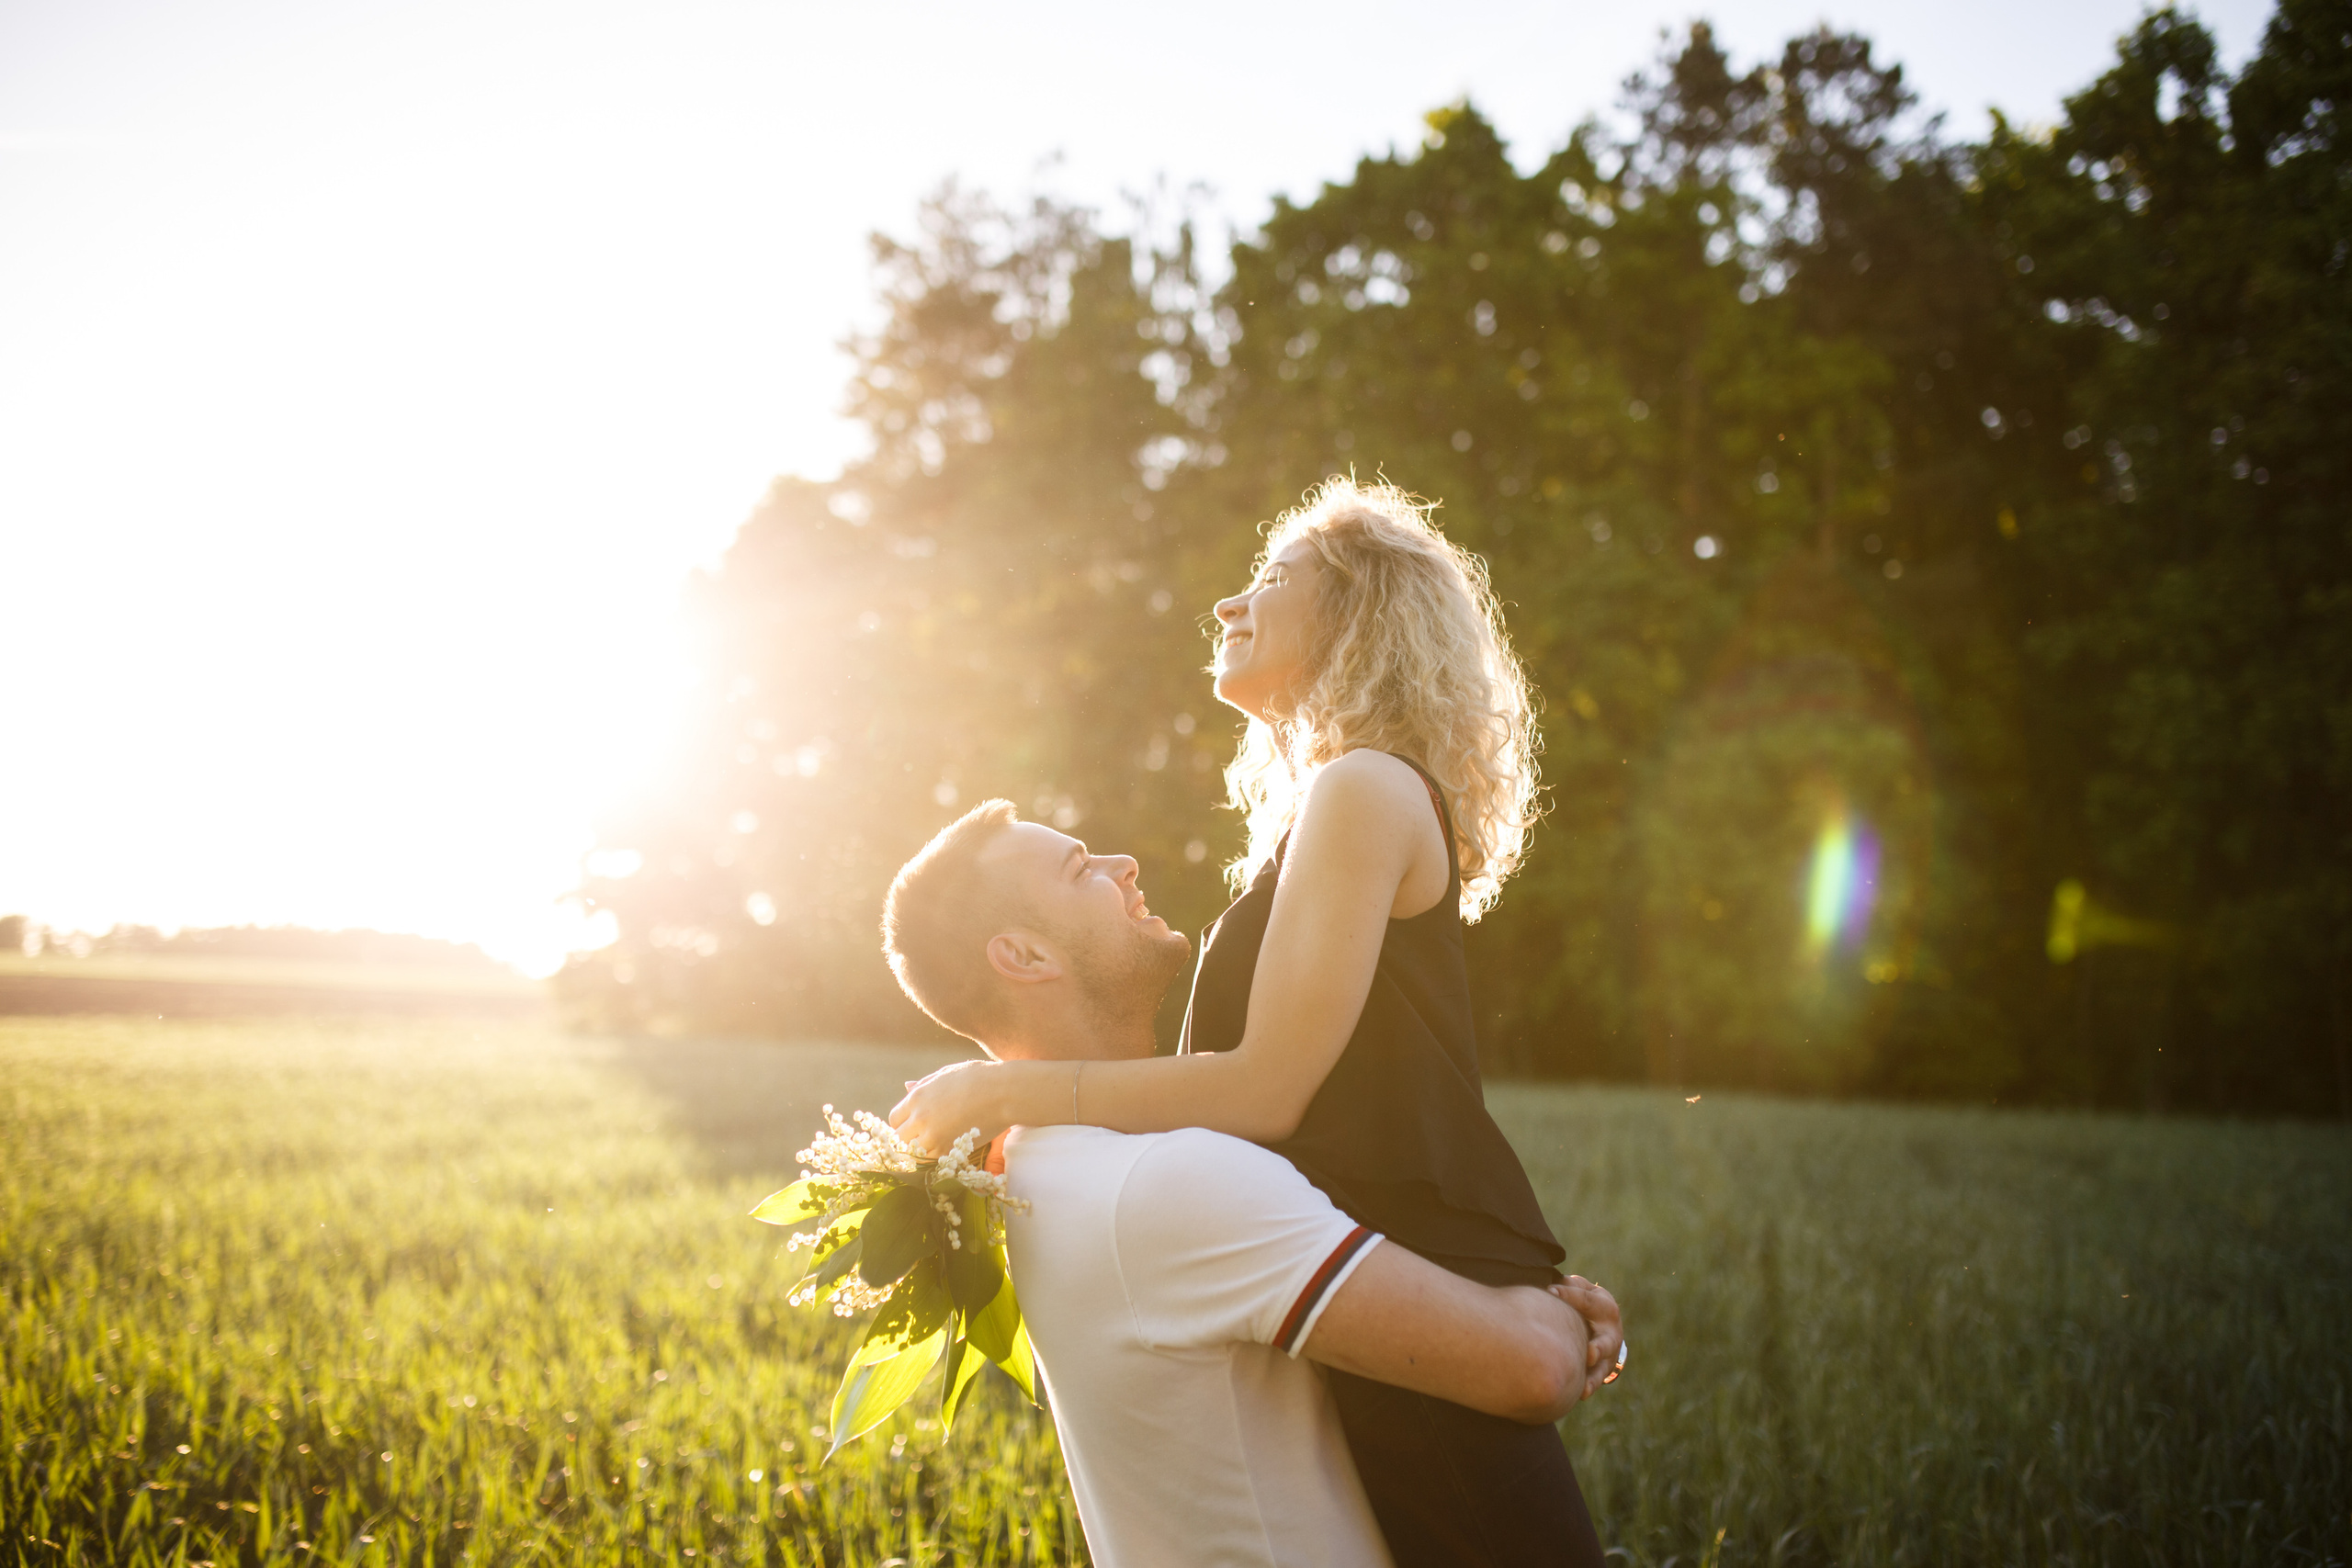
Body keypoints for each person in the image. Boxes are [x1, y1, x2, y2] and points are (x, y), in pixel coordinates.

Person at [890, 478, 1611, 1566]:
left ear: (1359, 611)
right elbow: (1230, 1117)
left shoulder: (1362, 788)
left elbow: (1264, 1088)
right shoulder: (1326, 809)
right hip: (1383, 1315)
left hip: (1426, 1334)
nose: (1229, 604)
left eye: (1270, 580)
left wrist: (996, 1089)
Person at [879, 802, 1624, 1568]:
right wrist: (1568, 1314)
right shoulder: (1163, 1185)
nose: (1122, 864)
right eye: (1081, 868)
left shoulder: (1045, 1165)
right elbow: (1532, 1369)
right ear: (1025, 956)